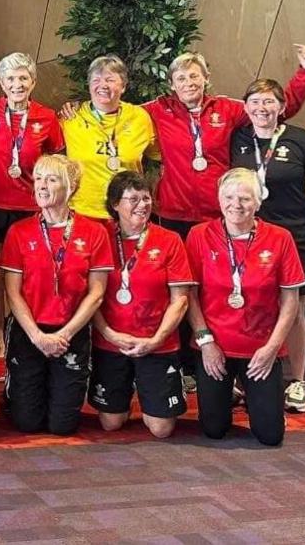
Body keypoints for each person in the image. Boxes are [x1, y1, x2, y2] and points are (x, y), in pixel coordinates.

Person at [142, 45, 305, 393]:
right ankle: (186, 367)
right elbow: (116, 111)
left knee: (219, 293)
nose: (188, 82)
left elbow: (276, 109)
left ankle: (229, 365)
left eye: (194, 75)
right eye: (181, 77)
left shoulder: (228, 109)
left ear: (206, 78)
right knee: (179, 292)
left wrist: (304, 74)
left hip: (216, 219)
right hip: (174, 216)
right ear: (171, 84)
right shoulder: (156, 111)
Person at [230, 77, 305, 414]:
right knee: (251, 306)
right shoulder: (238, 138)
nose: (262, 109)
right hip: (250, 235)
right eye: (255, 102)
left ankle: (297, 381)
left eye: (269, 102)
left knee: (295, 312)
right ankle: (244, 378)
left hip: (293, 235)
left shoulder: (301, 140)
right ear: (246, 107)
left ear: (281, 106)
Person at [185, 168, 305, 446]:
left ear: (258, 202)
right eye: (228, 197)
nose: (236, 205)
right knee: (214, 429)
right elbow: (189, 295)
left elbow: (290, 301)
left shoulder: (280, 238)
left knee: (270, 435)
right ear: (218, 199)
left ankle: (260, 399)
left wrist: (272, 348)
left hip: (260, 349)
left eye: (245, 198)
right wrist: (205, 343)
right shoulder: (199, 235)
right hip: (215, 347)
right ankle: (235, 393)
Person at [0, 52, 65, 382]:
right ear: (1, 84)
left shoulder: (47, 117)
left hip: (30, 209)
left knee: (26, 282)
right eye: (10, 79)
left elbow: (57, 162)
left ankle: (26, 343)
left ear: (33, 82)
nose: (17, 84)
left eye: (23, 78)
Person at [1, 155, 111, 435]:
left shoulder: (95, 232)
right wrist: (38, 336)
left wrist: (65, 334)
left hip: (71, 332)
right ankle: (19, 392)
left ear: (71, 187)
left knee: (62, 426)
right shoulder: (19, 231)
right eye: (38, 179)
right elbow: (12, 293)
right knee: (27, 423)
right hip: (29, 330)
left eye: (51, 179)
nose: (41, 186)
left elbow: (96, 293)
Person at [89, 172, 194, 438]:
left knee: (160, 429)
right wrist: (108, 334)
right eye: (133, 199)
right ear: (115, 204)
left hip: (157, 345)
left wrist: (156, 340)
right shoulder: (100, 238)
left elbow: (180, 300)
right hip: (111, 343)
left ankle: (152, 395)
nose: (142, 205)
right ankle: (129, 394)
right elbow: (93, 297)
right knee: (111, 423)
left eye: (146, 198)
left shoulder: (169, 240)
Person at [60, 55, 158, 221]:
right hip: (82, 213)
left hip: (128, 214)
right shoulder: (71, 118)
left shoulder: (140, 118)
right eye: (96, 80)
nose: (102, 85)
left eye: (110, 79)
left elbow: (163, 156)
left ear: (124, 86)